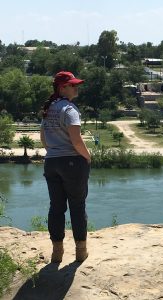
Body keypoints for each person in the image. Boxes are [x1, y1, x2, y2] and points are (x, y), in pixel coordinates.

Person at [40, 71, 91, 263]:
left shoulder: (48, 109)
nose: (76, 87)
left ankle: (57, 253)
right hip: (72, 162)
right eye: (72, 85)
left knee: (56, 207)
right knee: (77, 207)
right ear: (63, 88)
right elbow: (77, 141)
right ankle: (80, 251)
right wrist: (87, 157)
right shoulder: (69, 110)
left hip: (51, 162)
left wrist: (53, 152)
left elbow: (43, 139)